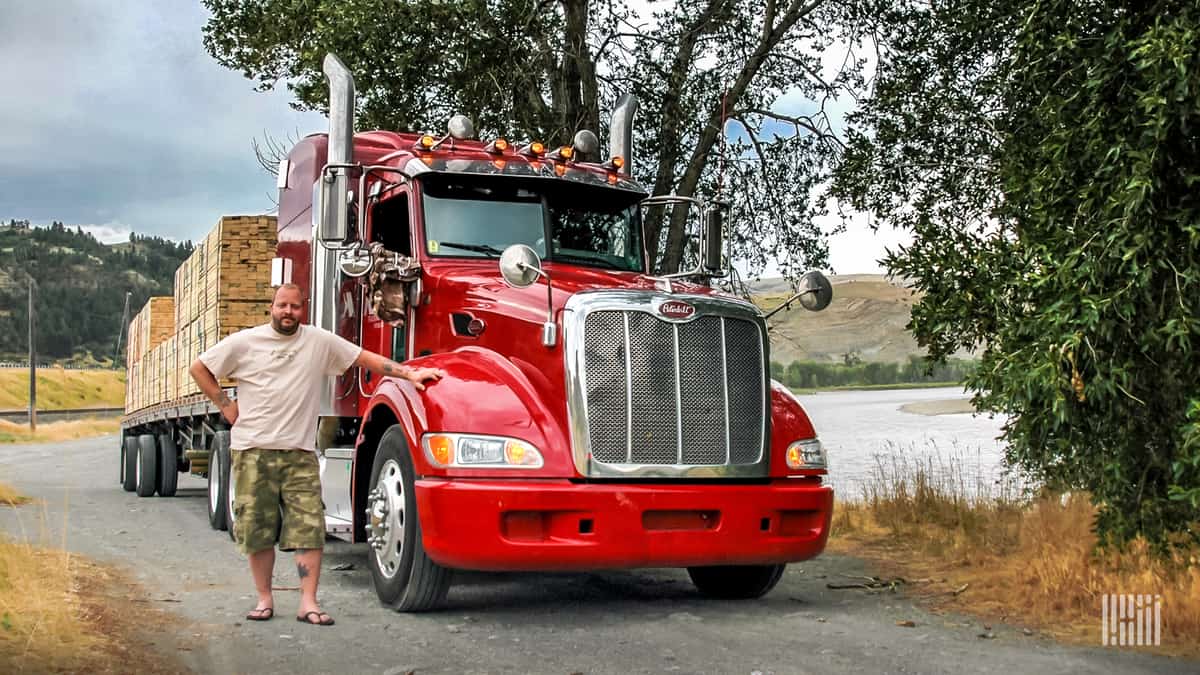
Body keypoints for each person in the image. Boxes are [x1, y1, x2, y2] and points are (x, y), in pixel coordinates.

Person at [189, 283, 441, 626]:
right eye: (282, 306)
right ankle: (264, 599)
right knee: (257, 529)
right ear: (271, 307)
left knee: (309, 528)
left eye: (294, 307)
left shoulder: (318, 342)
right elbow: (200, 367)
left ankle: (308, 602)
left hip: (299, 453)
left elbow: (364, 358)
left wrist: (410, 373)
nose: (288, 312)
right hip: (253, 451)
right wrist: (225, 406)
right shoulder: (245, 342)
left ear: (302, 310)